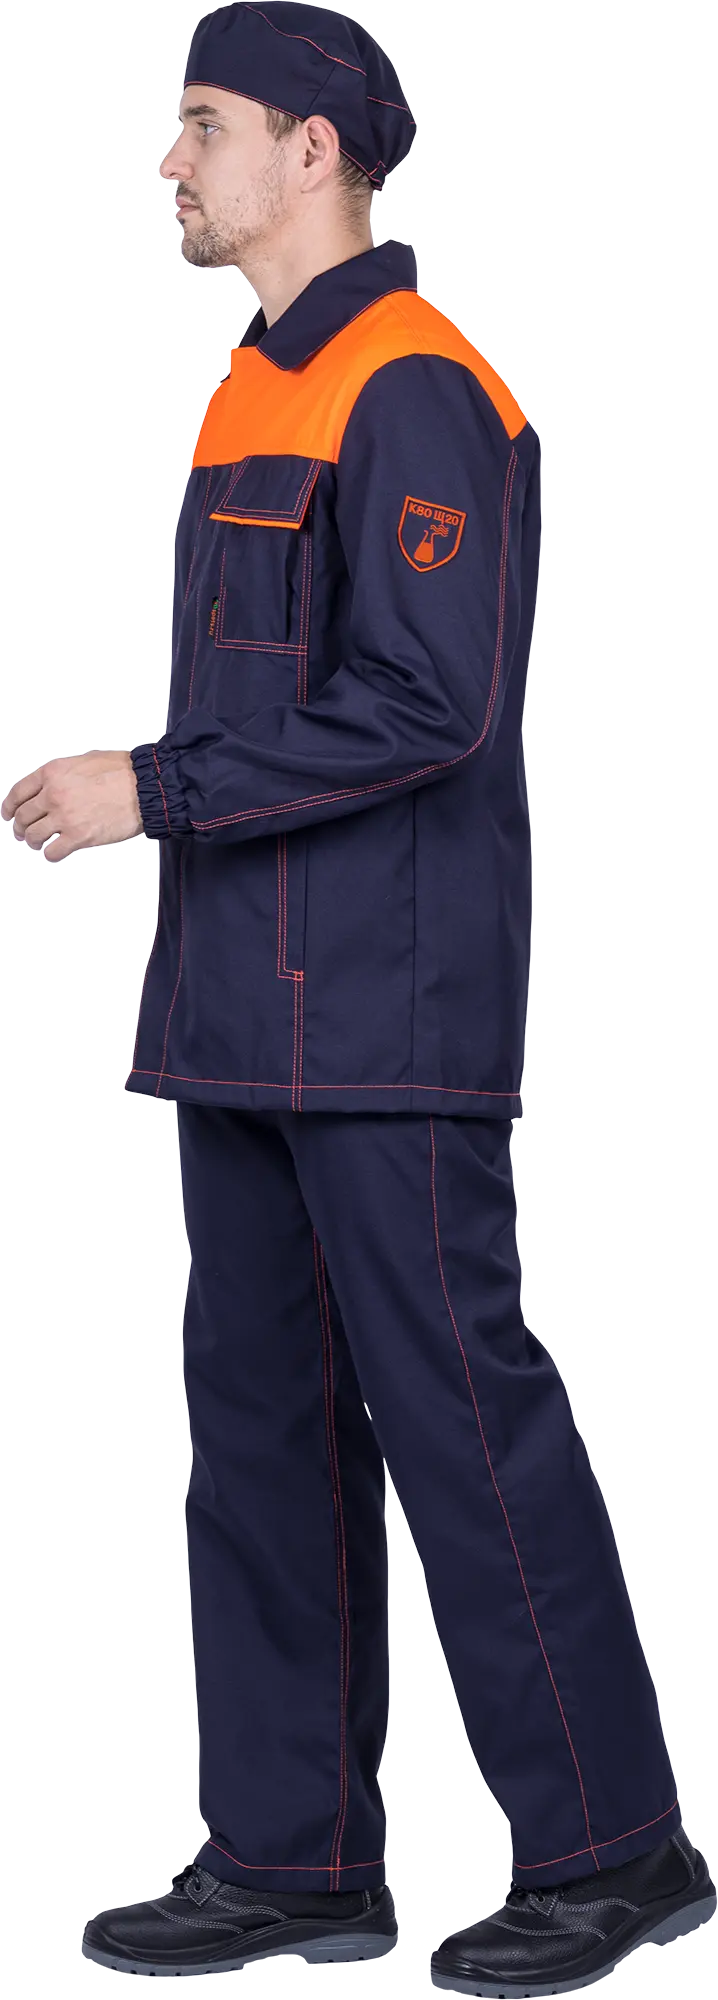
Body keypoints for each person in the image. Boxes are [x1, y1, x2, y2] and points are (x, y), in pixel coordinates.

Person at [2, 2, 708, 1988]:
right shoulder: (261, 381)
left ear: (309, 149)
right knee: (259, 1437)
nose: (171, 163)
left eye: (201, 124)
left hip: (387, 1014)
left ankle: (615, 1846)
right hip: (242, 1008)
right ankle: (292, 1855)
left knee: (464, 1423)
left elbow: (427, 702)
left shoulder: (417, 387)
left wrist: (146, 787)